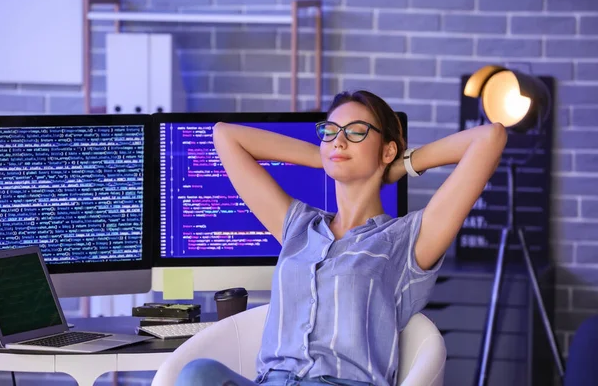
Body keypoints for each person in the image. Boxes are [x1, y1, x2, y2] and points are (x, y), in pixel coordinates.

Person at [175, 90, 507, 386]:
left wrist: (400, 164)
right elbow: (225, 136)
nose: (339, 140)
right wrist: (326, 157)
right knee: (197, 375)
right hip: (271, 380)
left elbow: (489, 138)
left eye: (356, 131)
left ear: (387, 149)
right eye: (330, 132)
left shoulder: (406, 240)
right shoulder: (299, 227)